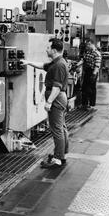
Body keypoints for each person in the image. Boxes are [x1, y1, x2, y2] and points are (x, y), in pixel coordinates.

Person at [21, 38, 69, 169]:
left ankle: (58, 159)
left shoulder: (59, 65)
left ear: (54, 50)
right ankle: (61, 154)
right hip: (59, 98)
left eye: (48, 48)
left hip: (56, 98)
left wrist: (49, 101)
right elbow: (43, 65)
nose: (46, 49)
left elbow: (57, 86)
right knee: (61, 127)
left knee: (57, 129)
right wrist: (28, 62)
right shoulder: (57, 62)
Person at [78, 39, 101, 109]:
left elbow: (97, 65)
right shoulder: (88, 52)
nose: (86, 47)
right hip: (87, 71)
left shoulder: (97, 53)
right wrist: (77, 64)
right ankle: (84, 104)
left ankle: (91, 104)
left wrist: (94, 74)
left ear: (91, 44)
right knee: (84, 87)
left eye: (87, 45)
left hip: (92, 72)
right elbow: (83, 60)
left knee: (91, 88)